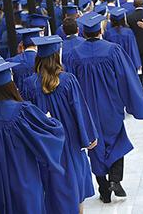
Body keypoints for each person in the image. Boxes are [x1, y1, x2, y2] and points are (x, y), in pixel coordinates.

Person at [65, 11, 143, 203]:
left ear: (83, 32)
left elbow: (69, 87)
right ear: (100, 31)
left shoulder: (73, 56)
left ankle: (103, 189)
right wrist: (133, 103)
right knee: (117, 140)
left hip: (87, 110)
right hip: (111, 106)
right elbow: (126, 78)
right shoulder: (113, 50)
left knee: (94, 146)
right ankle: (115, 179)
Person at [0, 55, 65, 214]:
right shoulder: (22, 112)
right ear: (10, 84)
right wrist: (48, 120)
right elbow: (53, 133)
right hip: (23, 186)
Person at [23, 35, 98, 213]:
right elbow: (79, 111)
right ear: (57, 57)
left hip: (45, 148)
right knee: (75, 190)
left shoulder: (28, 84)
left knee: (50, 192)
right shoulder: (68, 80)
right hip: (70, 144)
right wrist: (88, 138)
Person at [103, 7, 142, 71]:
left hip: (114, 64)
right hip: (128, 63)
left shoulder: (108, 33)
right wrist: (137, 63)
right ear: (123, 19)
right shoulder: (129, 32)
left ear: (111, 20)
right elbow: (133, 48)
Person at [7, 28, 41, 94]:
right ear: (37, 44)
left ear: (22, 44)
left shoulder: (12, 62)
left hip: (21, 98)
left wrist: (19, 54)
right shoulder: (43, 59)